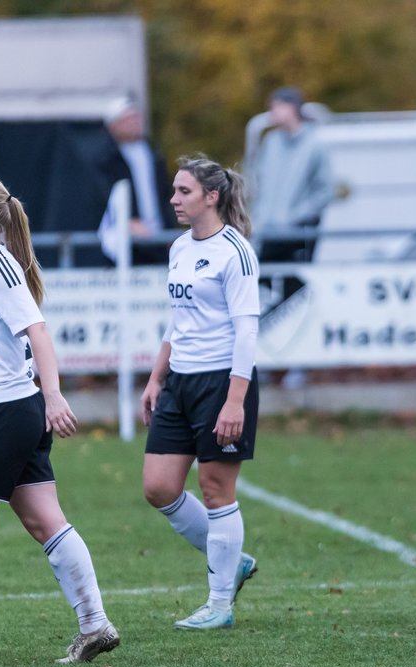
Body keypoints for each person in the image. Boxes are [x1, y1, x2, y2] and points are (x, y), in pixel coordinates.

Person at [0, 174, 119, 666]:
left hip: (6, 415)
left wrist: (54, 395)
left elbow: (37, 330)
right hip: (16, 414)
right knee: (45, 520)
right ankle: (95, 624)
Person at [141, 155, 261, 630]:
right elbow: (177, 321)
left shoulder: (236, 251)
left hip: (221, 383)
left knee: (216, 491)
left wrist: (235, 400)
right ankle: (237, 562)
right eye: (174, 190)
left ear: (212, 196)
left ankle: (219, 605)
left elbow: (247, 332)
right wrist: (156, 377)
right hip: (180, 382)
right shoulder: (179, 248)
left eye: (184, 191)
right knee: (159, 487)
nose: (174, 199)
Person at [248, 87, 335, 263]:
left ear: (291, 108)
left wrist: (296, 217)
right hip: (267, 231)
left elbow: (325, 190)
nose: (271, 113)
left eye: (276, 107)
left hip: (297, 233)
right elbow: (259, 182)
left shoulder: (314, 144)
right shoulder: (271, 142)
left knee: (294, 285)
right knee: (260, 278)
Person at [97, 96, 177, 266]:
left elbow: (164, 195)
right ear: (113, 126)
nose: (135, 123)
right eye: (128, 119)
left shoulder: (153, 154)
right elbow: (102, 197)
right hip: (127, 242)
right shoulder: (106, 160)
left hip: (159, 239)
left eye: (136, 117)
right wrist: (128, 220)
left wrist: (169, 229)